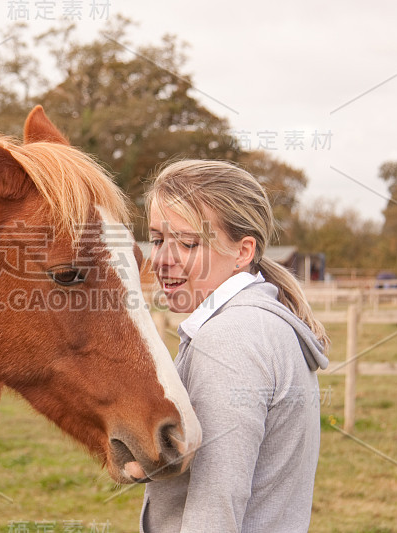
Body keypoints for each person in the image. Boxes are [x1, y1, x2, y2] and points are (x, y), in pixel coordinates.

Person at [140, 160, 330, 533]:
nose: (161, 260)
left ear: (243, 252)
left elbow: (216, 503)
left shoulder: (230, 337)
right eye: (158, 239)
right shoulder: (263, 323)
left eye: (188, 242)